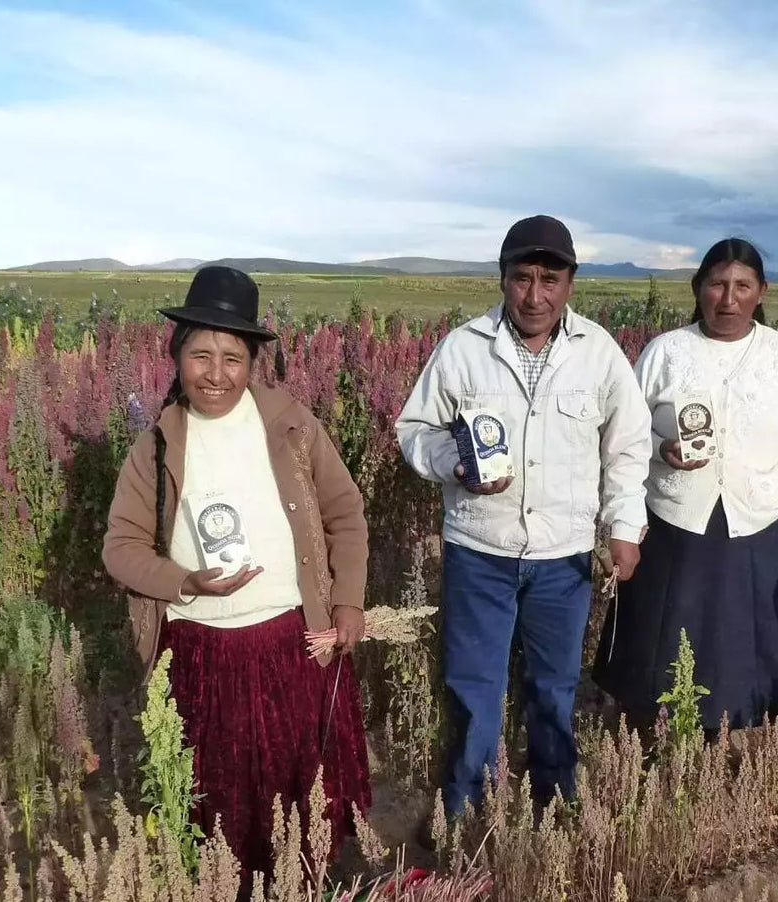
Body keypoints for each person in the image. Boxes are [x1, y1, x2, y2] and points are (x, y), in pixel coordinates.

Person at [102, 265, 372, 874]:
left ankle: (304, 884)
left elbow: (346, 515)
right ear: (177, 358)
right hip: (200, 650)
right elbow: (120, 548)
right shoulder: (157, 446)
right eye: (200, 355)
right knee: (218, 807)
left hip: (293, 641)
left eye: (232, 357)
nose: (215, 374)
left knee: (301, 799)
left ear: (253, 363)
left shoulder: (292, 427)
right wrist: (184, 582)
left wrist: (349, 602)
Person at [395, 214, 652, 817]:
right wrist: (455, 465)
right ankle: (462, 812)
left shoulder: (598, 355)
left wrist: (623, 527)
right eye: (521, 278)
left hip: (561, 555)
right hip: (479, 548)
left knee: (554, 687)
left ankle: (552, 808)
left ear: (570, 283)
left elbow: (628, 446)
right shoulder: (464, 348)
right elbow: (414, 430)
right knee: (472, 686)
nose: (534, 295)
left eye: (549, 279)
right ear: (503, 278)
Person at [593, 238, 778, 734]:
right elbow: (627, 440)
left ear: (762, 291)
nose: (728, 299)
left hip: (764, 520)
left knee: (759, 639)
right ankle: (654, 728)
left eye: (742, 286)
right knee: (668, 632)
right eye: (717, 285)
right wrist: (662, 453)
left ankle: (752, 731)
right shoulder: (665, 353)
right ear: (698, 288)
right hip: (677, 520)